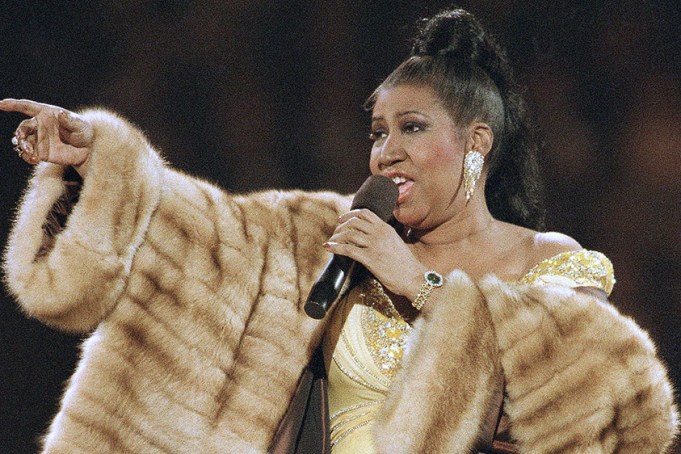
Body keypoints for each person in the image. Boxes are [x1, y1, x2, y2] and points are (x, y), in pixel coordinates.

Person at [1, 8, 677, 454]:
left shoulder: (545, 258)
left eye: (412, 129)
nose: (385, 152)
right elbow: (199, 231)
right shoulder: (328, 241)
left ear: (476, 143)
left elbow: (587, 393)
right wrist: (97, 157)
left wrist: (420, 284)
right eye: (378, 132)